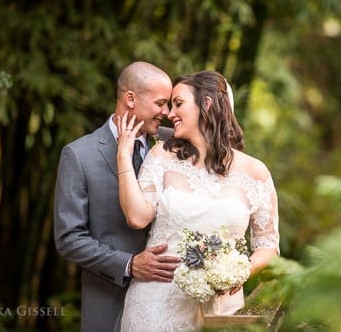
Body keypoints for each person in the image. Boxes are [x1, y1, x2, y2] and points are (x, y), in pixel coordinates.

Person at [115, 70, 280, 331]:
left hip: (220, 309)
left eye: (178, 103)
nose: (169, 114)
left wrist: (239, 272)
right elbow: (137, 217)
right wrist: (123, 156)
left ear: (207, 104)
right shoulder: (161, 156)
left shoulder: (256, 172)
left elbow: (267, 246)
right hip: (155, 304)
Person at [53, 61, 182, 332]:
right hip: (110, 302)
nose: (168, 113)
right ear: (131, 99)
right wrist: (129, 264)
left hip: (172, 301)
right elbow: (69, 239)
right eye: (161, 103)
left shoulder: (176, 145)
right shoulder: (79, 155)